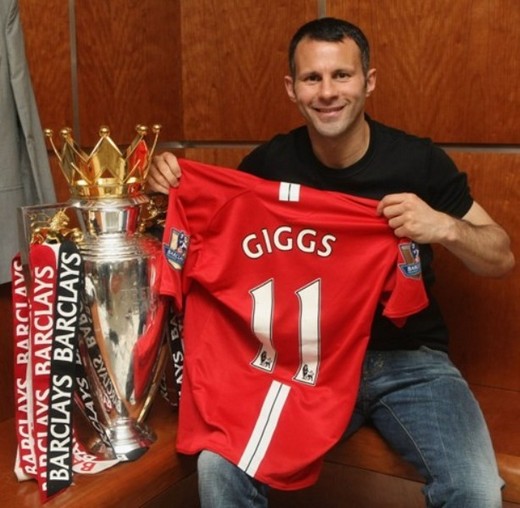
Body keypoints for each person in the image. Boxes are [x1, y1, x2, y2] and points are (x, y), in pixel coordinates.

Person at [147, 17, 515, 508]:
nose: (327, 92)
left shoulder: (418, 162)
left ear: (369, 81)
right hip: (301, 364)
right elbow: (213, 236)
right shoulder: (267, 168)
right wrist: (172, 185)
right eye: (312, 78)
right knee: (220, 467)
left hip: (408, 361)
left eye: (341, 75)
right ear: (292, 89)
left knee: (476, 491)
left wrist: (444, 226)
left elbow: (501, 256)